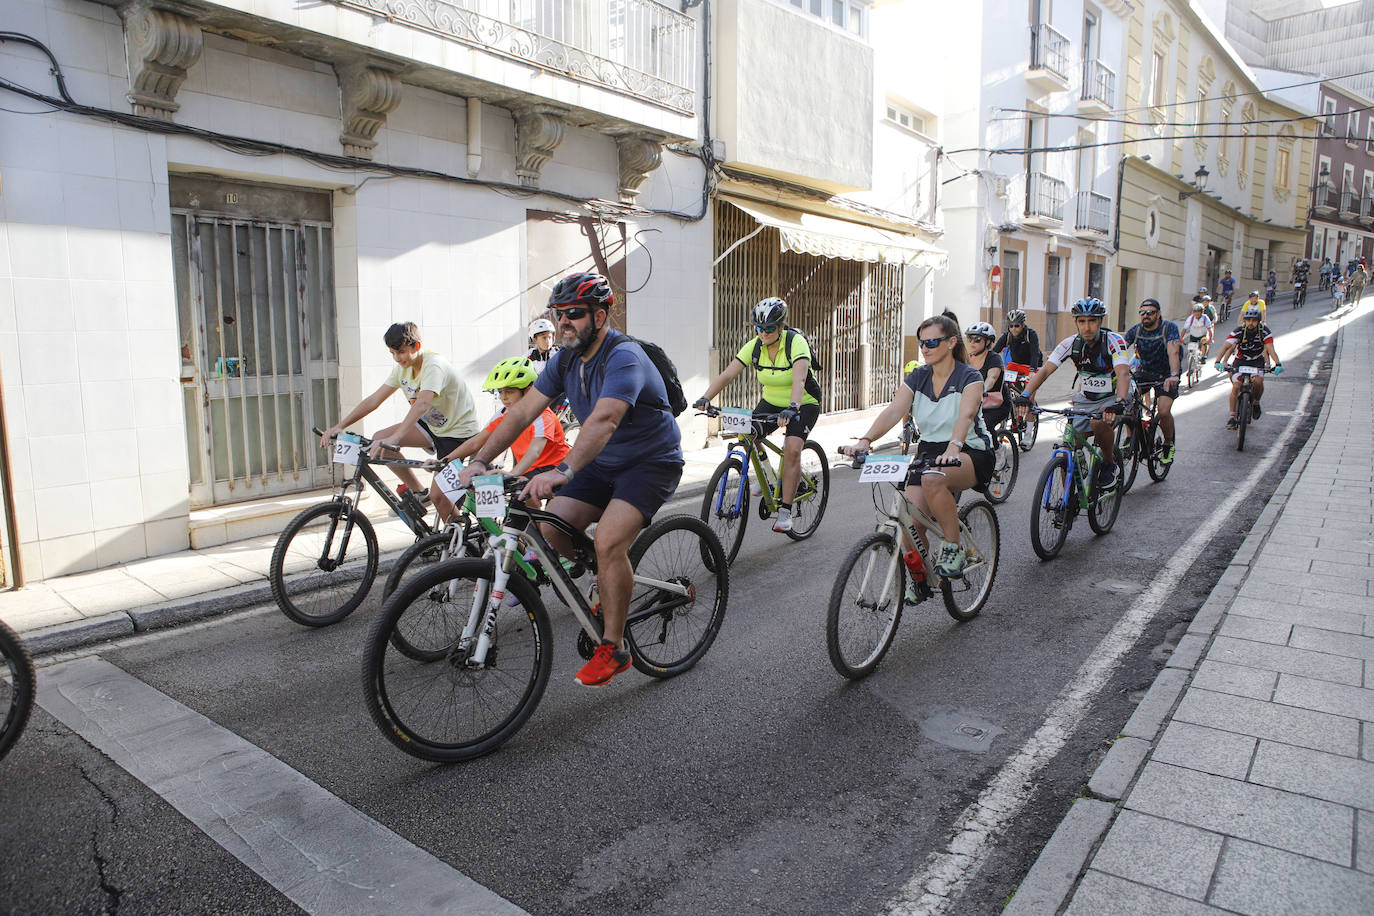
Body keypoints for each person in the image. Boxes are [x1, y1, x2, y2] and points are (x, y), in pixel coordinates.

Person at [458, 272, 683, 688]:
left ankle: (614, 647)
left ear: (600, 316)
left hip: (650, 461)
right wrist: (480, 460)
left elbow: (605, 418)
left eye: (574, 315)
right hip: (600, 461)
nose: (563, 323)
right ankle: (609, 580)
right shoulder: (563, 360)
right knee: (550, 532)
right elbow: (521, 414)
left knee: (609, 540)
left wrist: (562, 470)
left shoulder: (624, 357)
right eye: (558, 315)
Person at [841, 313, 995, 582]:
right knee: (909, 521)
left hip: (969, 449)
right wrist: (865, 440)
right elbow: (893, 411)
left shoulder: (969, 376)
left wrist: (954, 447)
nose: (925, 348)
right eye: (922, 343)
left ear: (951, 343)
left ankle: (953, 547)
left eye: (933, 342)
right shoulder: (918, 377)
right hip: (930, 449)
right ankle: (921, 578)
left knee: (933, 479)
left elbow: (966, 415)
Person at [321, 322, 480, 517]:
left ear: (417, 346)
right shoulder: (402, 369)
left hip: (457, 433)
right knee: (379, 440)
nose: (397, 358)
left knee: (439, 497)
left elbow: (421, 404)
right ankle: (420, 493)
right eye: (392, 353)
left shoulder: (434, 365)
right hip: (432, 426)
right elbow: (374, 400)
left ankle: (455, 539)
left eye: (402, 352)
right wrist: (339, 426)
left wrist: (396, 438)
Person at [693, 297, 821, 533]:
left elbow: (799, 379)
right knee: (747, 433)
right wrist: (706, 397)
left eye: (769, 328)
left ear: (781, 326)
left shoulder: (796, 343)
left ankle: (785, 511)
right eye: (759, 328)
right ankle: (768, 475)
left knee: (792, 448)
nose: (763, 333)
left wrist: (793, 407)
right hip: (771, 401)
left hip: (803, 402)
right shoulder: (754, 346)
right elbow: (727, 374)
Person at [1014, 298, 1131, 488]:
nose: (1087, 327)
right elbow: (1044, 371)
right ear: (1076, 322)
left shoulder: (1114, 341)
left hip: (1114, 396)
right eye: (1082, 321)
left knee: (1098, 421)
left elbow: (1123, 373)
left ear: (1100, 322)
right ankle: (1068, 503)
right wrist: (1026, 395)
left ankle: (1109, 462)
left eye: (1092, 321)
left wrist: (1121, 401)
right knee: (1067, 448)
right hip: (1085, 398)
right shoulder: (1071, 343)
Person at [435, 357, 569, 482]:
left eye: (509, 391)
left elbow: (535, 451)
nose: (503, 398)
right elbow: (475, 443)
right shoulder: (503, 414)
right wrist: (444, 460)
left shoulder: (543, 415)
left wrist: (513, 473)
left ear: (528, 391)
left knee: (552, 505)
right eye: (500, 392)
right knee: (519, 500)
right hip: (528, 469)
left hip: (556, 468)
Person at [1124, 298, 1182, 464]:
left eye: (1150, 312)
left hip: (1166, 374)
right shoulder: (1136, 330)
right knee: (1126, 401)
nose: (1146, 315)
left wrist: (1173, 375)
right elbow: (1120, 350)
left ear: (1159, 314)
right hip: (1144, 372)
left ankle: (1168, 444)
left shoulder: (1169, 328)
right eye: (1142, 312)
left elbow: (1173, 352)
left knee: (1163, 412)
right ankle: (1130, 438)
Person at [1214, 305, 1283, 429]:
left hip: (1257, 361)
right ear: (1245, 321)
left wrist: (1277, 363)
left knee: (1258, 382)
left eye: (1254, 320)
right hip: (1240, 361)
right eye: (1248, 320)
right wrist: (1218, 361)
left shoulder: (1265, 331)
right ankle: (1232, 416)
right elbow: (1226, 347)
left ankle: (1256, 402)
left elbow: (1270, 349)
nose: (1251, 323)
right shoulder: (1238, 331)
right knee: (1236, 386)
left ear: (1259, 321)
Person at [964, 321, 1009, 432]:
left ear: (988, 341)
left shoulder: (994, 358)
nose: (972, 342)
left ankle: (997, 448)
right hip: (974, 402)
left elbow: (992, 379)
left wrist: (981, 390)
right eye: (970, 339)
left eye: (977, 339)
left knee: (985, 424)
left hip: (995, 404)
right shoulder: (967, 359)